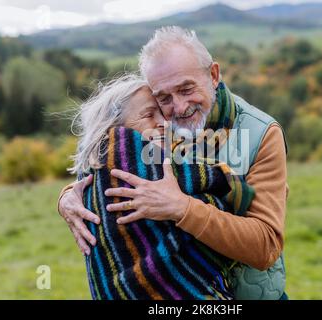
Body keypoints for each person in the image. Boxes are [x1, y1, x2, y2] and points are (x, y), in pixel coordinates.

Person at [58, 26, 289, 300]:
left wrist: (181, 207)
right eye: (164, 98)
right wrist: (67, 198)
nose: (178, 108)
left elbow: (264, 247)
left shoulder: (260, 132)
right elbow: (110, 166)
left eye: (186, 89)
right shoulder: (155, 127)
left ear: (213, 75)